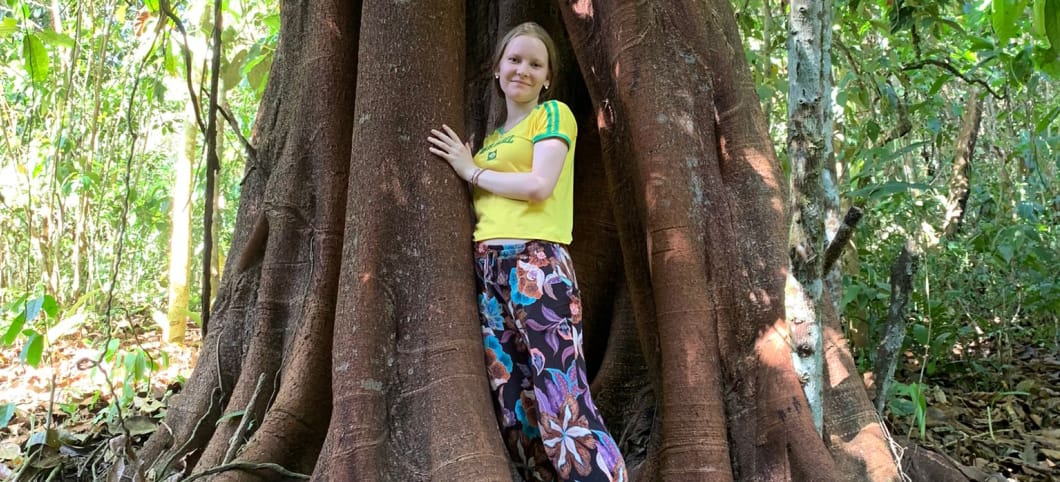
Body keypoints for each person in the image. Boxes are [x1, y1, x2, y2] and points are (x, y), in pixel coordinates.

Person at [428, 21, 628, 482]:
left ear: (547, 77)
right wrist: (473, 164)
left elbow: (540, 185)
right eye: (514, 60)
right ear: (497, 69)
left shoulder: (552, 115)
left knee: (561, 395)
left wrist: (470, 172)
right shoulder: (491, 141)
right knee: (514, 401)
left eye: (535, 64)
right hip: (488, 270)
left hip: (537, 265)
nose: (523, 70)